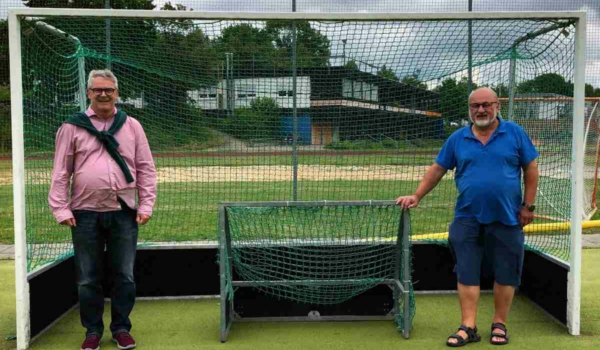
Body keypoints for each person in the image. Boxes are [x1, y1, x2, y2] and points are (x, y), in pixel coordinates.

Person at [396, 87, 539, 347]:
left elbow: (530, 167)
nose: (481, 110)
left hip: (508, 217)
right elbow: (438, 169)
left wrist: (528, 206)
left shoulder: (515, 133)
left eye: (486, 104)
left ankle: (500, 323)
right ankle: (468, 326)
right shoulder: (457, 138)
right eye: (475, 106)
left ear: (497, 105)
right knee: (467, 272)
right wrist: (417, 195)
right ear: (469, 109)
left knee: (507, 273)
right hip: (467, 218)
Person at [49, 69, 157, 350]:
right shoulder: (72, 127)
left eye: (108, 89)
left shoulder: (132, 126)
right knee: (87, 277)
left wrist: (146, 204)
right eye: (97, 89)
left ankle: (121, 328)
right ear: (88, 93)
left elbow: (146, 169)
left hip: (124, 211)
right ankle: (92, 331)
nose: (103, 94)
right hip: (84, 211)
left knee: (124, 274)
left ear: (116, 93)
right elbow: (61, 171)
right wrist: (60, 208)